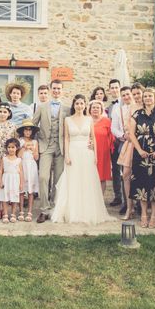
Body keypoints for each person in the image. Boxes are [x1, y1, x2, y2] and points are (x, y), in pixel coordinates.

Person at [51, 94, 114, 225]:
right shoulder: (67, 120)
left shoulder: (89, 119)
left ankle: (87, 211)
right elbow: (66, 138)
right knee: (73, 181)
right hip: (73, 152)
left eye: (82, 103)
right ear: (74, 105)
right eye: (77, 103)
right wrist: (66, 155)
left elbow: (93, 138)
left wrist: (95, 155)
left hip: (87, 153)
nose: (79, 106)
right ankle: (72, 211)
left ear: (85, 105)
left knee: (87, 181)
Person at [129, 88, 155, 229]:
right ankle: (143, 215)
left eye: (150, 96)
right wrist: (139, 150)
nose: (147, 98)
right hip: (140, 155)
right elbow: (131, 134)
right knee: (142, 185)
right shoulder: (137, 114)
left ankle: (153, 215)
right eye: (145, 96)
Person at [32, 80, 69, 223]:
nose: (56, 91)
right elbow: (33, 125)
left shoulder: (67, 108)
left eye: (59, 89)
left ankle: (55, 208)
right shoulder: (41, 107)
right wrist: (34, 143)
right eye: (54, 88)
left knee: (58, 180)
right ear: (50, 89)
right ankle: (44, 209)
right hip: (45, 146)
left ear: (62, 90)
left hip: (61, 147)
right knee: (43, 177)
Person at [0, 102, 17, 219]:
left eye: (5, 112)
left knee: (8, 182)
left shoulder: (13, 126)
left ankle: (7, 207)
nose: (2, 114)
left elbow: (16, 143)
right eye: (0, 111)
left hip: (8, 159)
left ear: (9, 113)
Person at [114, 86, 136, 219]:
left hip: (140, 143)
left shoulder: (140, 107)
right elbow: (114, 127)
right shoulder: (119, 110)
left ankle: (140, 206)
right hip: (127, 144)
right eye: (124, 95)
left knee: (139, 175)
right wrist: (122, 135)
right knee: (126, 174)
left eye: (128, 94)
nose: (126, 97)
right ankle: (129, 207)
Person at [17, 119, 39, 222]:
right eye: (26, 130)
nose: (28, 132)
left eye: (30, 130)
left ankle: (29, 211)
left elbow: (36, 157)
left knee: (31, 190)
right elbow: (18, 156)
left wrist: (33, 150)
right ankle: (21, 210)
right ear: (23, 131)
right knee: (21, 189)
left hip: (31, 166)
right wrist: (23, 147)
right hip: (22, 166)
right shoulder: (20, 141)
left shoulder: (35, 142)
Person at [90, 100, 113, 195]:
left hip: (103, 152)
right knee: (90, 175)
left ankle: (100, 199)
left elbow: (111, 137)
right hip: (89, 152)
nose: (95, 109)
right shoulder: (87, 120)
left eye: (97, 108)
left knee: (102, 176)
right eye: (93, 107)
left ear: (101, 110)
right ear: (90, 109)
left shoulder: (107, 121)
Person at [107, 79, 124, 209]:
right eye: (112, 88)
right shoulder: (109, 107)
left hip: (125, 141)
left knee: (126, 171)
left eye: (116, 87)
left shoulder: (126, 103)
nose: (114, 90)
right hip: (114, 142)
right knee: (116, 170)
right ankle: (118, 196)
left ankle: (127, 199)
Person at [0, 138, 23, 223]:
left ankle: (13, 214)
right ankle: (5, 214)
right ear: (6, 148)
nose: (11, 149)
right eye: (9, 147)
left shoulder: (18, 160)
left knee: (14, 197)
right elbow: (1, 170)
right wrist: (0, 181)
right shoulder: (4, 158)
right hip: (6, 179)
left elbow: (21, 173)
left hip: (15, 180)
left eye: (13, 147)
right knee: (5, 197)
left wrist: (21, 184)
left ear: (17, 148)